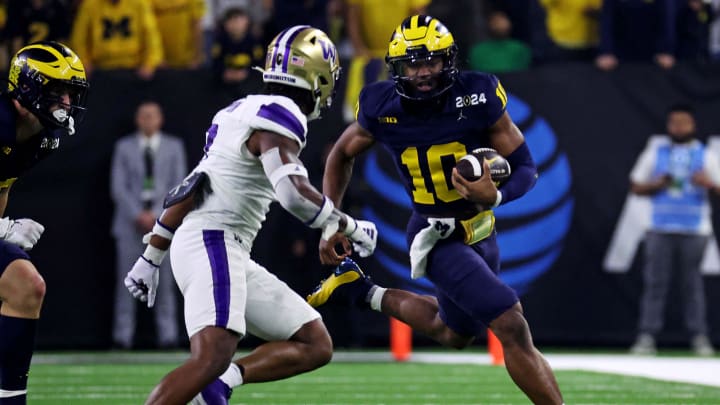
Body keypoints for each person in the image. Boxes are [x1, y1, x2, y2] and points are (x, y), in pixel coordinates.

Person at [307, 15, 565, 405]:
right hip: (436, 234)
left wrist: (495, 197)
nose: (424, 72)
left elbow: (526, 167)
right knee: (510, 322)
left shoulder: (477, 94)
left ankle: (360, 290)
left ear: (450, 61)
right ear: (398, 68)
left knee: (453, 333)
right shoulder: (381, 104)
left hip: (481, 230)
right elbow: (341, 153)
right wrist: (331, 220)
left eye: (432, 61)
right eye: (413, 63)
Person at [123, 25, 378, 404]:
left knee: (313, 341)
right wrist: (349, 225)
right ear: (317, 75)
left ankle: (222, 382)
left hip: (220, 245)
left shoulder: (238, 110)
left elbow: (192, 185)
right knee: (210, 355)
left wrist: (152, 254)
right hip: (214, 239)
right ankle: (213, 375)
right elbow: (292, 196)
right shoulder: (281, 114)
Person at [0, 41, 88, 404]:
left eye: (71, 93)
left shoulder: (38, 136)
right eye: (57, 91)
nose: (66, 103)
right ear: (28, 86)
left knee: (26, 286)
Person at [627, 104, 717, 357]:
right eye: (674, 123)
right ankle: (647, 336)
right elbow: (635, 187)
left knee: (693, 285)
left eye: (684, 123)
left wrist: (707, 183)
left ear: (693, 125)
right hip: (659, 226)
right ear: (668, 126)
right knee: (655, 284)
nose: (679, 127)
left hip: (695, 228)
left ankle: (699, 337)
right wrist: (656, 184)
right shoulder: (656, 153)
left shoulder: (705, 154)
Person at [110, 101, 186, 349]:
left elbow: (180, 185)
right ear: (137, 120)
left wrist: (156, 214)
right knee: (126, 282)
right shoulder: (124, 147)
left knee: (166, 283)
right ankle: (122, 336)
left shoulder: (174, 147)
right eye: (143, 115)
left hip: (164, 224)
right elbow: (118, 187)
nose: (147, 120)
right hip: (129, 225)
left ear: (160, 119)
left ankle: (168, 336)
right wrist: (137, 215)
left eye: (152, 115)